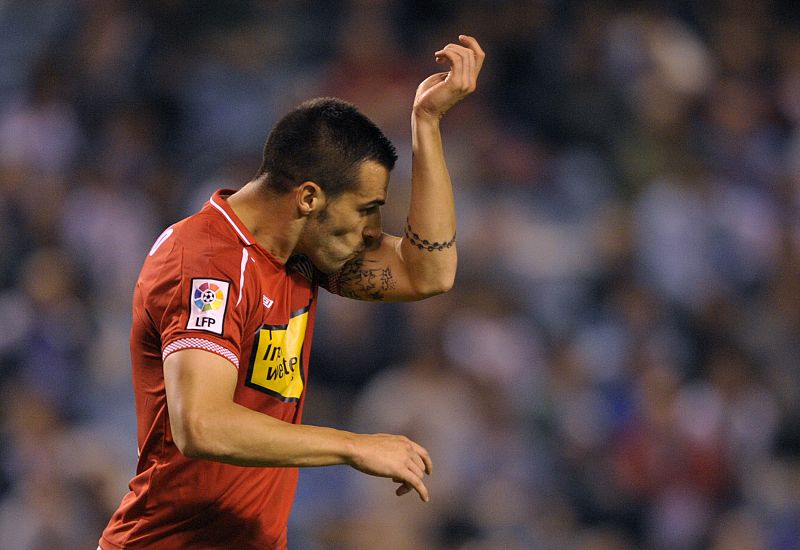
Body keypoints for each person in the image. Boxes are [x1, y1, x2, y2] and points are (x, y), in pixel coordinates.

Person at [99, 35, 485, 550]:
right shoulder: (204, 264)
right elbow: (201, 424)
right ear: (308, 198)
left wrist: (427, 123)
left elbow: (429, 272)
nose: (374, 230)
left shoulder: (299, 256)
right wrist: (352, 446)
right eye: (366, 209)